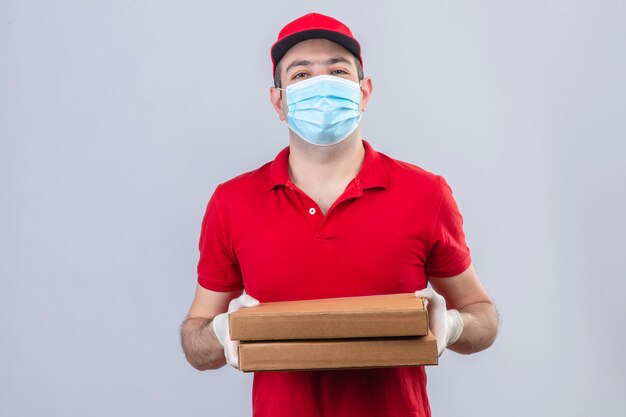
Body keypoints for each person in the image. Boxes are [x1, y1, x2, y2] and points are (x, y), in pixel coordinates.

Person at [181, 12, 498, 417]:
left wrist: (453, 326)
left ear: (364, 92)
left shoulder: (426, 194)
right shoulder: (232, 202)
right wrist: (221, 332)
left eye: (337, 70)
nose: (321, 85)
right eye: (300, 75)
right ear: (278, 101)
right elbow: (196, 339)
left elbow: (482, 316)